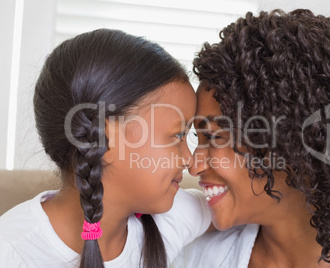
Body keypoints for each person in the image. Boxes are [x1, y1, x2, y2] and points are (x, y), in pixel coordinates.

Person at [173, 9, 330, 267]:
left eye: (214, 137)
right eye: (198, 137)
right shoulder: (190, 256)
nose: (194, 164)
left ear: (295, 146)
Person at [0, 29, 211, 267]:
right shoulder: (11, 252)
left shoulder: (174, 219)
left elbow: (246, 205)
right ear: (105, 139)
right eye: (177, 135)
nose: (189, 159)